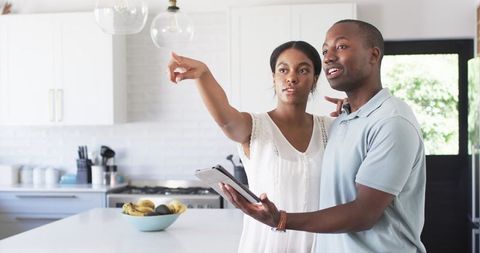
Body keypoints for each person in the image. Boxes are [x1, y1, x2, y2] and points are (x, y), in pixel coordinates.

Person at [221, 19, 427, 253]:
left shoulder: (392, 121)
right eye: (325, 50)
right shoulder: (343, 123)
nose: (328, 57)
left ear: (373, 55)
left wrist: (281, 219)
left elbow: (363, 214)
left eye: (341, 46)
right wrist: (351, 113)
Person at [167, 41, 343, 252]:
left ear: (314, 80)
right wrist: (203, 74)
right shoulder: (255, 127)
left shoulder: (331, 128)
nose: (291, 77)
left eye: (303, 70)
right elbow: (226, 120)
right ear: (274, 77)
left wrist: (353, 112)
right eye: (283, 70)